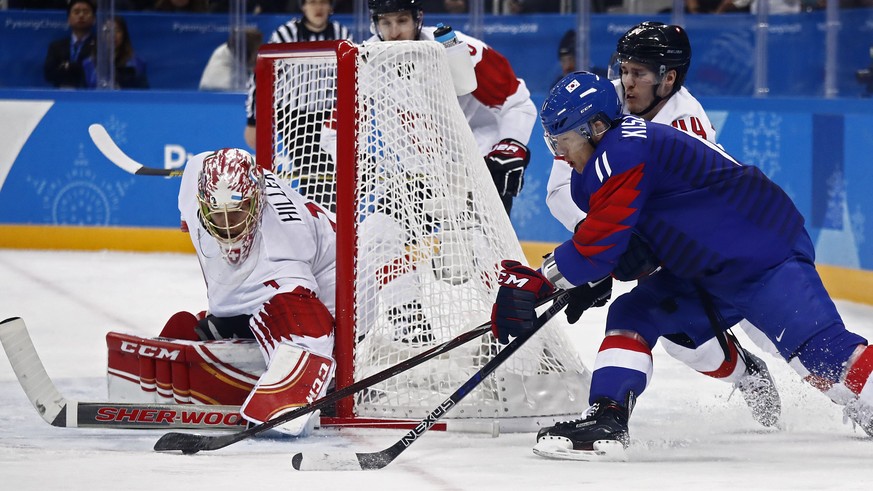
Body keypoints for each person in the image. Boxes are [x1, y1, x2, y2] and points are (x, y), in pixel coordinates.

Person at [491, 71, 873, 460]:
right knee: (635, 312)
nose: (561, 154)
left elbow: (599, 245)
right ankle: (606, 418)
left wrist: (542, 282)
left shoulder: (622, 150)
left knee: (825, 357)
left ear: (597, 127)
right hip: (703, 268)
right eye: (553, 142)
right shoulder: (601, 163)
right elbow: (624, 244)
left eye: (565, 141)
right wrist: (594, 272)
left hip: (763, 255)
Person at [545, 21, 781, 430]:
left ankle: (847, 389)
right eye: (625, 69)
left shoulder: (686, 121)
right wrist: (601, 242)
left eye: (641, 72)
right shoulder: (598, 101)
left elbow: (694, 213)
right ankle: (747, 374)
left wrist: (617, 244)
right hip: (641, 237)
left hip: (712, 246)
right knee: (684, 342)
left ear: (668, 79)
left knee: (777, 326)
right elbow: (560, 188)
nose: (628, 81)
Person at [158, 148, 338, 435]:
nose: (228, 228)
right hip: (277, 281)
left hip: (342, 284)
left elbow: (310, 326)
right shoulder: (194, 177)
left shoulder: (284, 247)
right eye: (218, 216)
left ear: (257, 201)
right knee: (207, 321)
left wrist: (287, 403)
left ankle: (332, 382)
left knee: (288, 316)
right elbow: (199, 165)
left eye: (238, 212)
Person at [336, 0, 538, 216]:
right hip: (420, 177)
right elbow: (337, 126)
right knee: (379, 236)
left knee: (479, 247)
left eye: (402, 20)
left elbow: (517, 102)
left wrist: (510, 145)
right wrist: (353, 160)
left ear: (418, 19)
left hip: (479, 166)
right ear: (374, 24)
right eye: (386, 22)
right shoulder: (365, 62)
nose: (394, 32)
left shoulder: (459, 50)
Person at [243, 0, 352, 202]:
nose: (317, 7)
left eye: (322, 2)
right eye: (312, 2)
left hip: (327, 116)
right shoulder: (286, 34)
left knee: (329, 174)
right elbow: (261, 76)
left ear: (330, 6)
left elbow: (351, 78)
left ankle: (319, 220)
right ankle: (320, 220)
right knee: (315, 170)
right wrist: (252, 120)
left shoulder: (341, 34)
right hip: (293, 116)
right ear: (303, 6)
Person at [82, 17, 149, 89]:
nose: (113, 35)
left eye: (117, 30)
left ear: (124, 35)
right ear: (100, 36)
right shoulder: (88, 64)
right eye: (108, 31)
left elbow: (142, 92)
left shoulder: (136, 64)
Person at [43, 0, 96, 88]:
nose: (81, 15)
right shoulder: (56, 46)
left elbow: (94, 75)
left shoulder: (100, 45)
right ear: (68, 19)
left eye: (86, 12)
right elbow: (49, 74)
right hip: (60, 94)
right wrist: (79, 68)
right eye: (76, 12)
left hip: (89, 95)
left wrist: (67, 67)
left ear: (94, 19)